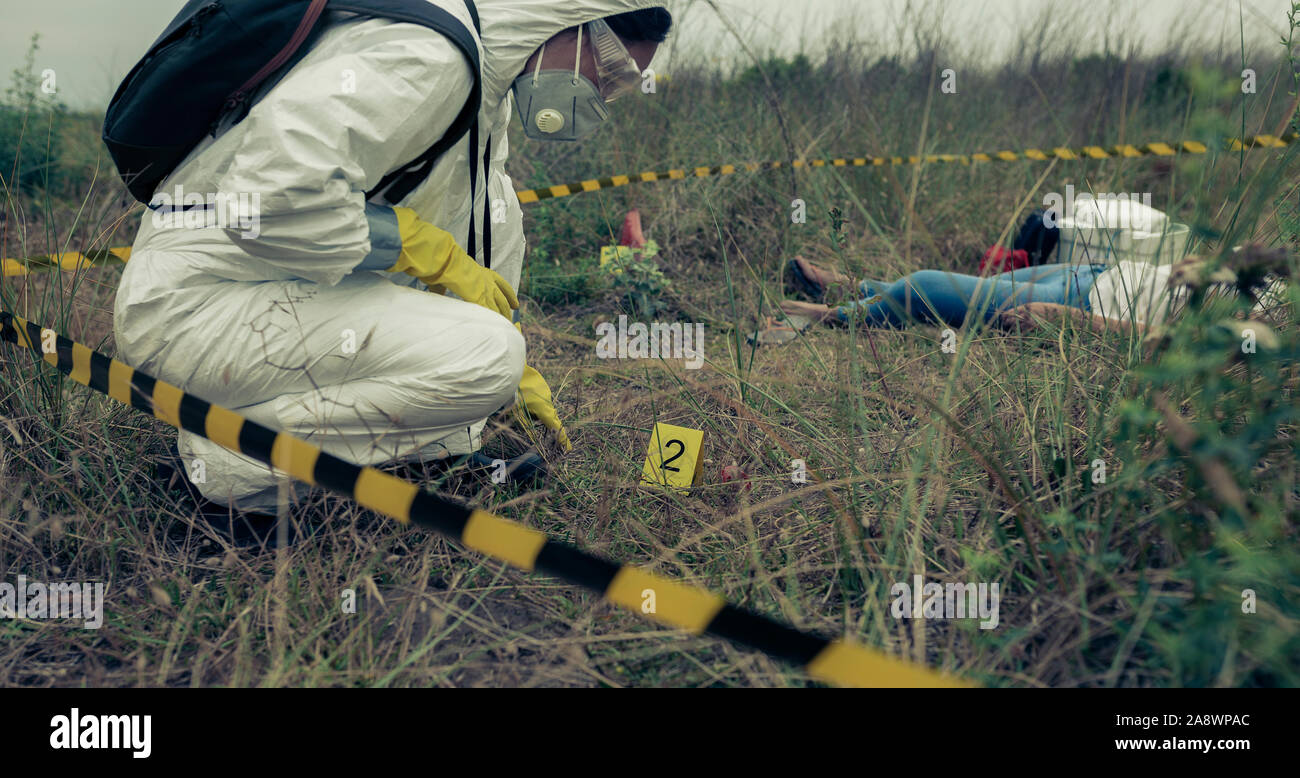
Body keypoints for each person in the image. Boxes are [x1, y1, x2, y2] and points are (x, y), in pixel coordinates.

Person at [114, 1, 673, 525]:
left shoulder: (482, 84)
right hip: (198, 308)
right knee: (484, 355)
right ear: (569, 17)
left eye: (623, 83)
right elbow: (267, 198)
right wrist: (408, 241)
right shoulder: (430, 56)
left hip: (268, 295)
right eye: (608, 66)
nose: (603, 90)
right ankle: (232, 470)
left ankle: (434, 454)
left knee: (493, 346)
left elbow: (485, 223)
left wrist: (514, 373)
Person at [780, 255, 1238, 337]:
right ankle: (851, 287)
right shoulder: (1279, 269)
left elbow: (1176, 341)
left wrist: (1070, 321)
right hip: (1097, 274)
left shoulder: (1273, 317)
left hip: (1084, 307)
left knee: (927, 285)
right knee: (949, 285)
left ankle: (827, 315)